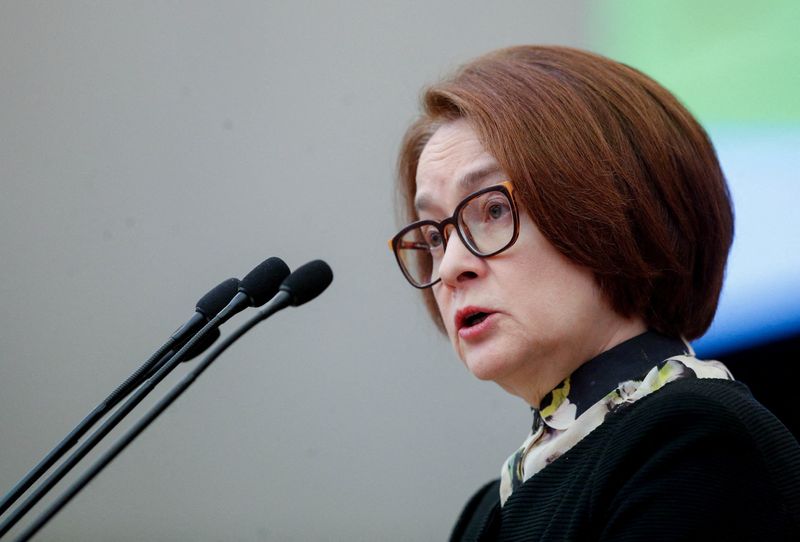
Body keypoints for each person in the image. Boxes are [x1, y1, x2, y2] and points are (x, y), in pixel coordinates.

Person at [388, 46, 800, 541]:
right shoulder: (485, 513)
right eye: (435, 235)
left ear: (618, 209)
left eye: (494, 209)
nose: (451, 266)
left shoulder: (694, 444)